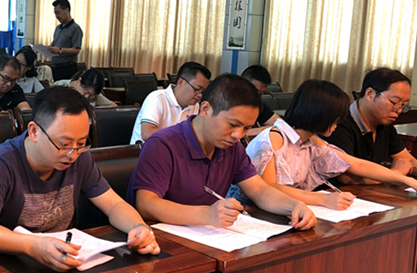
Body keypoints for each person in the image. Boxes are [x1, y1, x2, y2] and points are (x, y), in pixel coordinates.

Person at [0, 87, 159, 272]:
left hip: (65, 261)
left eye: (81, 143)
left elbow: (113, 204)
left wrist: (138, 227)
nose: (72, 154)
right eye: (64, 144)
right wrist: (33, 245)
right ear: (34, 131)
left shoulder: (81, 159)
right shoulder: (0, 163)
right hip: (10, 265)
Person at [127, 74, 317, 230]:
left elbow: (259, 190)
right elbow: (147, 204)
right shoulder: (163, 144)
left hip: (204, 235)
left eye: (246, 128)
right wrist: (206, 214)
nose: (238, 135)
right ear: (205, 109)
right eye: (233, 124)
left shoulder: (231, 148)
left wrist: (294, 206)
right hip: (158, 237)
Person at [230, 79, 417, 209]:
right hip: (253, 214)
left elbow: (357, 164)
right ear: (320, 114)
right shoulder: (273, 140)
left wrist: (411, 182)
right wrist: (323, 200)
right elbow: (270, 188)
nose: (339, 123)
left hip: (290, 210)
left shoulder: (311, 141)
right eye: (336, 117)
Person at [325, 68, 417, 185]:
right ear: (370, 94)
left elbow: (409, 161)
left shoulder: (384, 124)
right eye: (394, 102)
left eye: (403, 105)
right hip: (337, 194)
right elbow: (346, 177)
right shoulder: (338, 123)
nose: (399, 110)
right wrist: (396, 174)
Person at [130, 62, 211, 144]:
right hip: (147, 149)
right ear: (180, 82)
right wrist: (179, 139)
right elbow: (147, 133)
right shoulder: (157, 98)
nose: (200, 95)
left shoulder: (195, 106)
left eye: (203, 91)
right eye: (197, 89)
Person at [48, 0, 83, 81]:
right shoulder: (58, 28)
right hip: (56, 67)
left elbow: (76, 50)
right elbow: (55, 45)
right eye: (55, 13)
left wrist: (60, 50)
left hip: (67, 67)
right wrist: (46, 48)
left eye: (58, 13)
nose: (56, 16)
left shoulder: (75, 28)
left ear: (67, 10)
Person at [241, 65, 280, 137]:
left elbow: (281, 125)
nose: (258, 97)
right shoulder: (227, 102)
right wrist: (259, 130)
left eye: (262, 93)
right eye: (255, 91)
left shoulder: (257, 105)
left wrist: (260, 130)